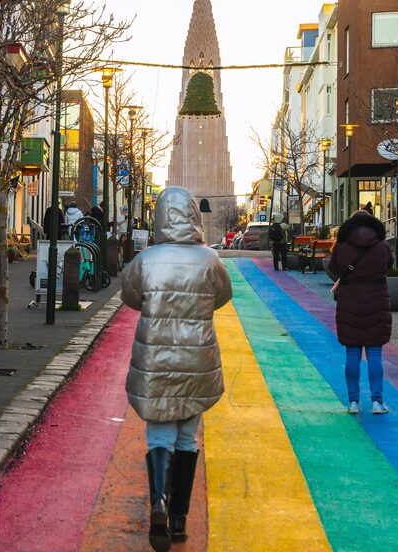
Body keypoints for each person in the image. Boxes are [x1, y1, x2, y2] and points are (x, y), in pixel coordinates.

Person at [122, 187, 232, 551]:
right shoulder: (209, 259)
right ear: (194, 218)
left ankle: (158, 502)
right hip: (195, 361)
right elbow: (223, 296)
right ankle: (180, 520)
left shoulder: (146, 260)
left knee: (158, 435)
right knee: (187, 437)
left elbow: (130, 296)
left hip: (155, 361)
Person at [327, 210, 393, 416]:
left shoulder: (342, 246)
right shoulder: (382, 245)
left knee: (352, 353)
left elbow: (332, 269)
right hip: (376, 301)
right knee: (374, 353)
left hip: (349, 302)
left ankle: (353, 402)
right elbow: (388, 266)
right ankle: (377, 402)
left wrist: (346, 279)